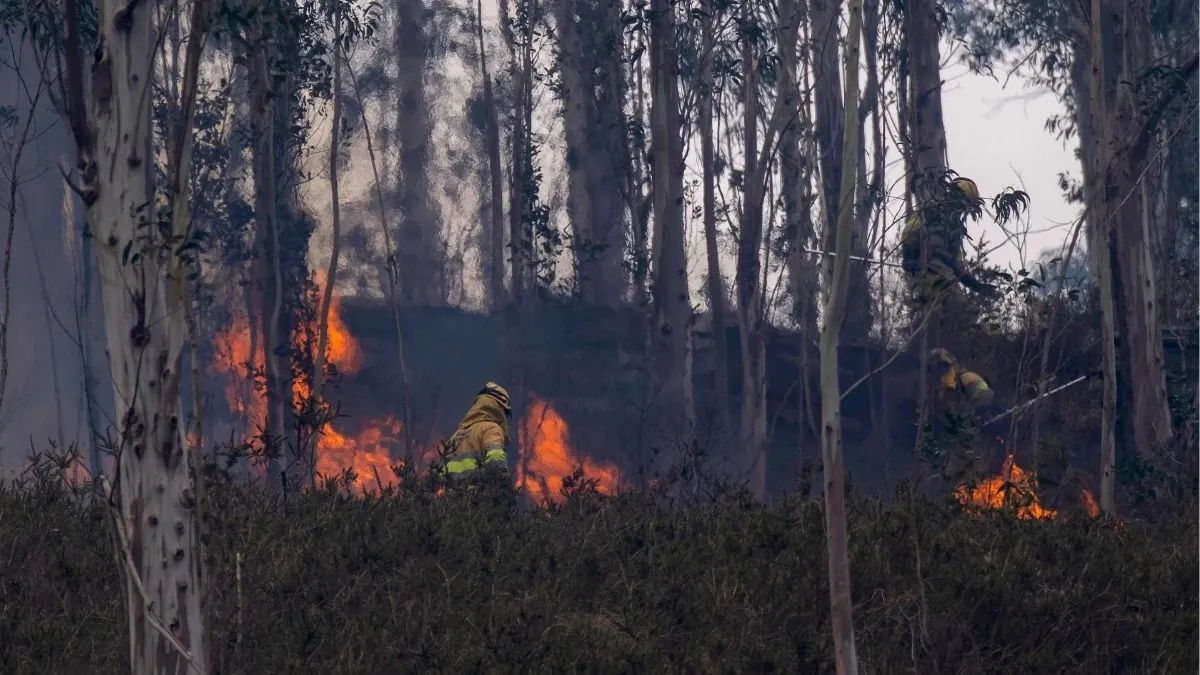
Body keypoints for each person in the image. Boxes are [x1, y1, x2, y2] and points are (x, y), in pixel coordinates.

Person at [900, 176, 995, 302]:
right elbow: (909, 232)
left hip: (945, 277)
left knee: (961, 307)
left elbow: (958, 265)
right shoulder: (930, 212)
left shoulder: (955, 229)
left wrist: (976, 285)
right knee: (953, 304)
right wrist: (909, 258)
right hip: (925, 273)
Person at [436, 381, 513, 486]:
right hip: (481, 495)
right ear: (500, 407)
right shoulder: (491, 429)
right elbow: (497, 464)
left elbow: (440, 478)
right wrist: (505, 488)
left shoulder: (455, 437)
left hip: (454, 496)